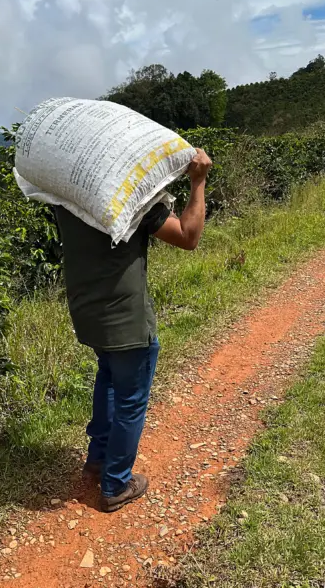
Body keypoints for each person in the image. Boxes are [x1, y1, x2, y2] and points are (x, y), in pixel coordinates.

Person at [55, 149, 212, 512]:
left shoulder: (63, 195)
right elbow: (188, 236)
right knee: (130, 399)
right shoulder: (133, 197)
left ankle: (97, 461)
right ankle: (115, 485)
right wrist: (198, 181)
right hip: (126, 317)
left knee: (108, 377)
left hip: (88, 312)